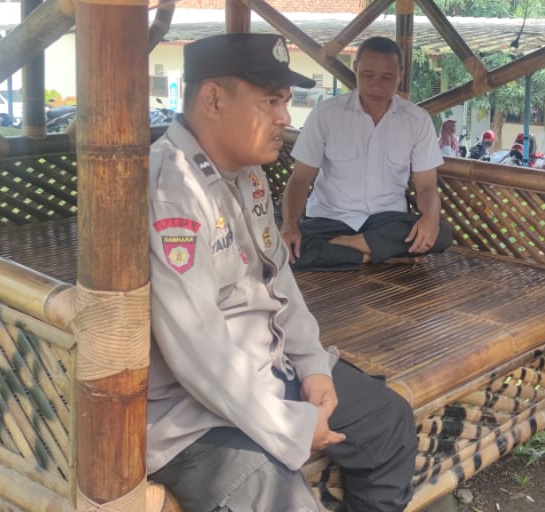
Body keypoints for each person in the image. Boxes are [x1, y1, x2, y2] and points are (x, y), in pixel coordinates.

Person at [146, 33, 415, 512]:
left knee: (388, 422)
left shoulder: (247, 174)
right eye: (270, 102)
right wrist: (290, 426)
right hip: (194, 414)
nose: (285, 118)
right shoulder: (172, 189)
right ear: (213, 100)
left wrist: (313, 366)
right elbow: (198, 350)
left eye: (286, 102)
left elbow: (279, 282)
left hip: (270, 370)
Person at [283, 36, 455, 271]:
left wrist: (431, 218)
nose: (376, 85)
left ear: (401, 74)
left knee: (442, 234)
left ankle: (352, 248)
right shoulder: (326, 114)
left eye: (387, 77)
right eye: (367, 75)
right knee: (284, 250)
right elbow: (300, 179)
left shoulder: (417, 120)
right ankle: (377, 255)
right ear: (355, 69)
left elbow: (426, 187)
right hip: (329, 220)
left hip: (386, 222)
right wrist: (290, 225)